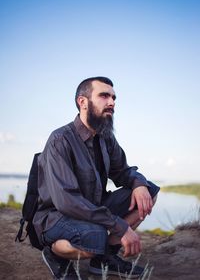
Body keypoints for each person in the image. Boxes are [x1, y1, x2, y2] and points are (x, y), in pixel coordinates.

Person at [33, 77, 160, 279]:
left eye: (113, 97)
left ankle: (104, 259)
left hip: (92, 208)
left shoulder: (105, 137)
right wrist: (120, 226)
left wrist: (139, 184)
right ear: (82, 102)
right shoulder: (60, 140)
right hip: (57, 216)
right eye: (104, 96)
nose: (112, 102)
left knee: (149, 192)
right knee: (96, 238)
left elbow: (123, 171)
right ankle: (54, 254)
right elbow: (68, 202)